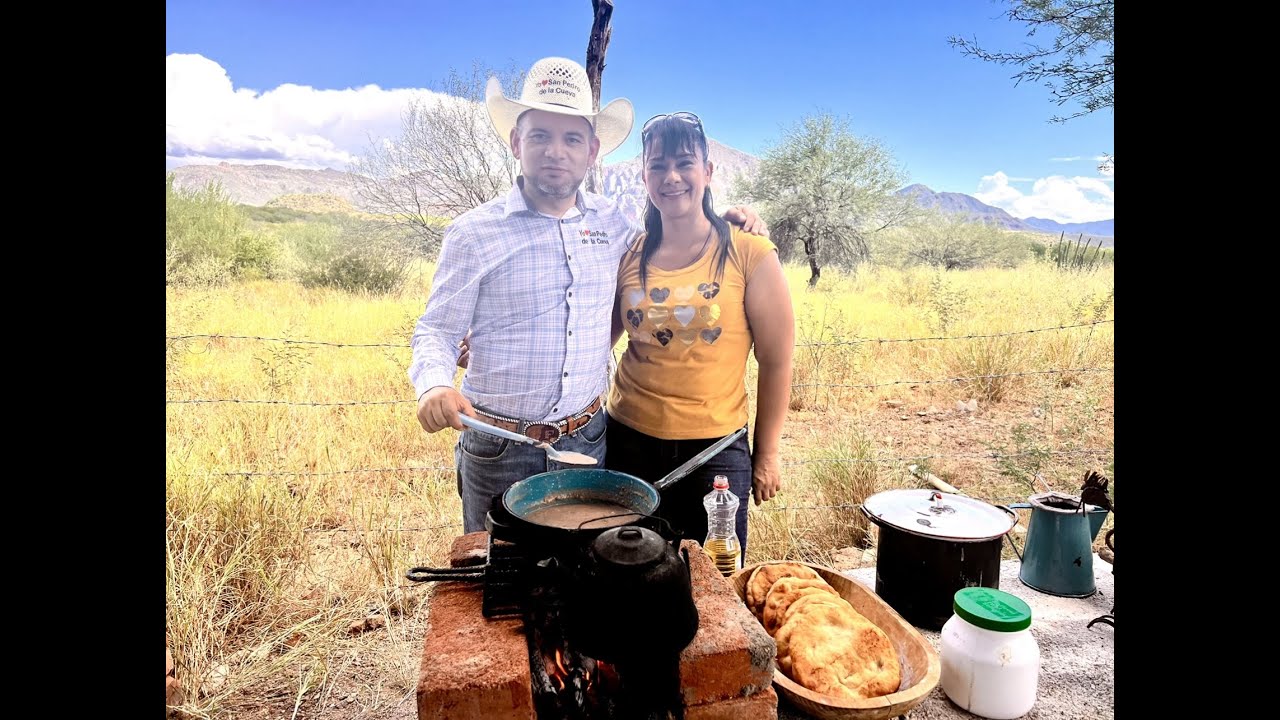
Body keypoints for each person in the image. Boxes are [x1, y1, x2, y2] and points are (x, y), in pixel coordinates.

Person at [408, 58, 767, 533]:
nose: (555, 151)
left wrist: (726, 220)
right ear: (516, 142)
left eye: (572, 138)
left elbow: (673, 238)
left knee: (587, 567)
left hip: (589, 442)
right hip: (498, 446)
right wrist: (434, 384)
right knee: (499, 567)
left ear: (592, 150)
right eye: (540, 135)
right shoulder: (474, 233)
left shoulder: (612, 225)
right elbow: (436, 329)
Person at [604, 111, 795, 558]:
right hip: (627, 444)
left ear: (707, 171)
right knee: (626, 573)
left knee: (714, 577)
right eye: (657, 166)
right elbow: (591, 340)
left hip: (715, 453)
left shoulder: (749, 251)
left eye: (684, 163)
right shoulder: (629, 254)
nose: (671, 177)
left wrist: (767, 453)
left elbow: (776, 359)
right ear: (644, 177)